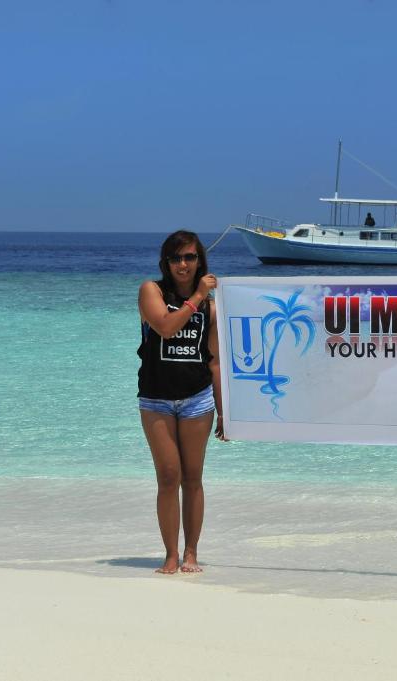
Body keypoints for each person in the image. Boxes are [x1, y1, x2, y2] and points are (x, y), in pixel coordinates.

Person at [137, 230, 225, 574]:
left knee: (192, 477)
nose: (183, 264)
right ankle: (170, 554)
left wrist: (224, 411)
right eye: (176, 258)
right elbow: (165, 327)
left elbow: (214, 362)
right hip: (156, 398)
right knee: (168, 476)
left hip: (197, 399)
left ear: (199, 260)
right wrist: (198, 295)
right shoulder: (152, 291)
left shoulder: (211, 309)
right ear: (166, 262)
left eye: (189, 257)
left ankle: (191, 552)